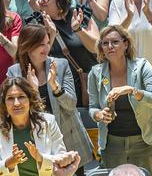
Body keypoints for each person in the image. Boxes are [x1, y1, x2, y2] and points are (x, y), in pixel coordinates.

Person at [88, 25, 152, 176]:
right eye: (105, 43)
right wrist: (98, 114)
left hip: (142, 141)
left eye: (115, 42)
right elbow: (92, 107)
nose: (110, 46)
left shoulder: (142, 66)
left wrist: (132, 90)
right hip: (112, 144)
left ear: (126, 44)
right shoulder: (95, 73)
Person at [9, 22, 92, 163]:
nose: (46, 48)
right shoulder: (14, 72)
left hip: (68, 138)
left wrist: (55, 87)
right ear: (27, 45)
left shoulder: (60, 65)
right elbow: (17, 111)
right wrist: (33, 91)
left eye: (48, 43)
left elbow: (71, 105)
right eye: (41, 44)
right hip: (38, 142)